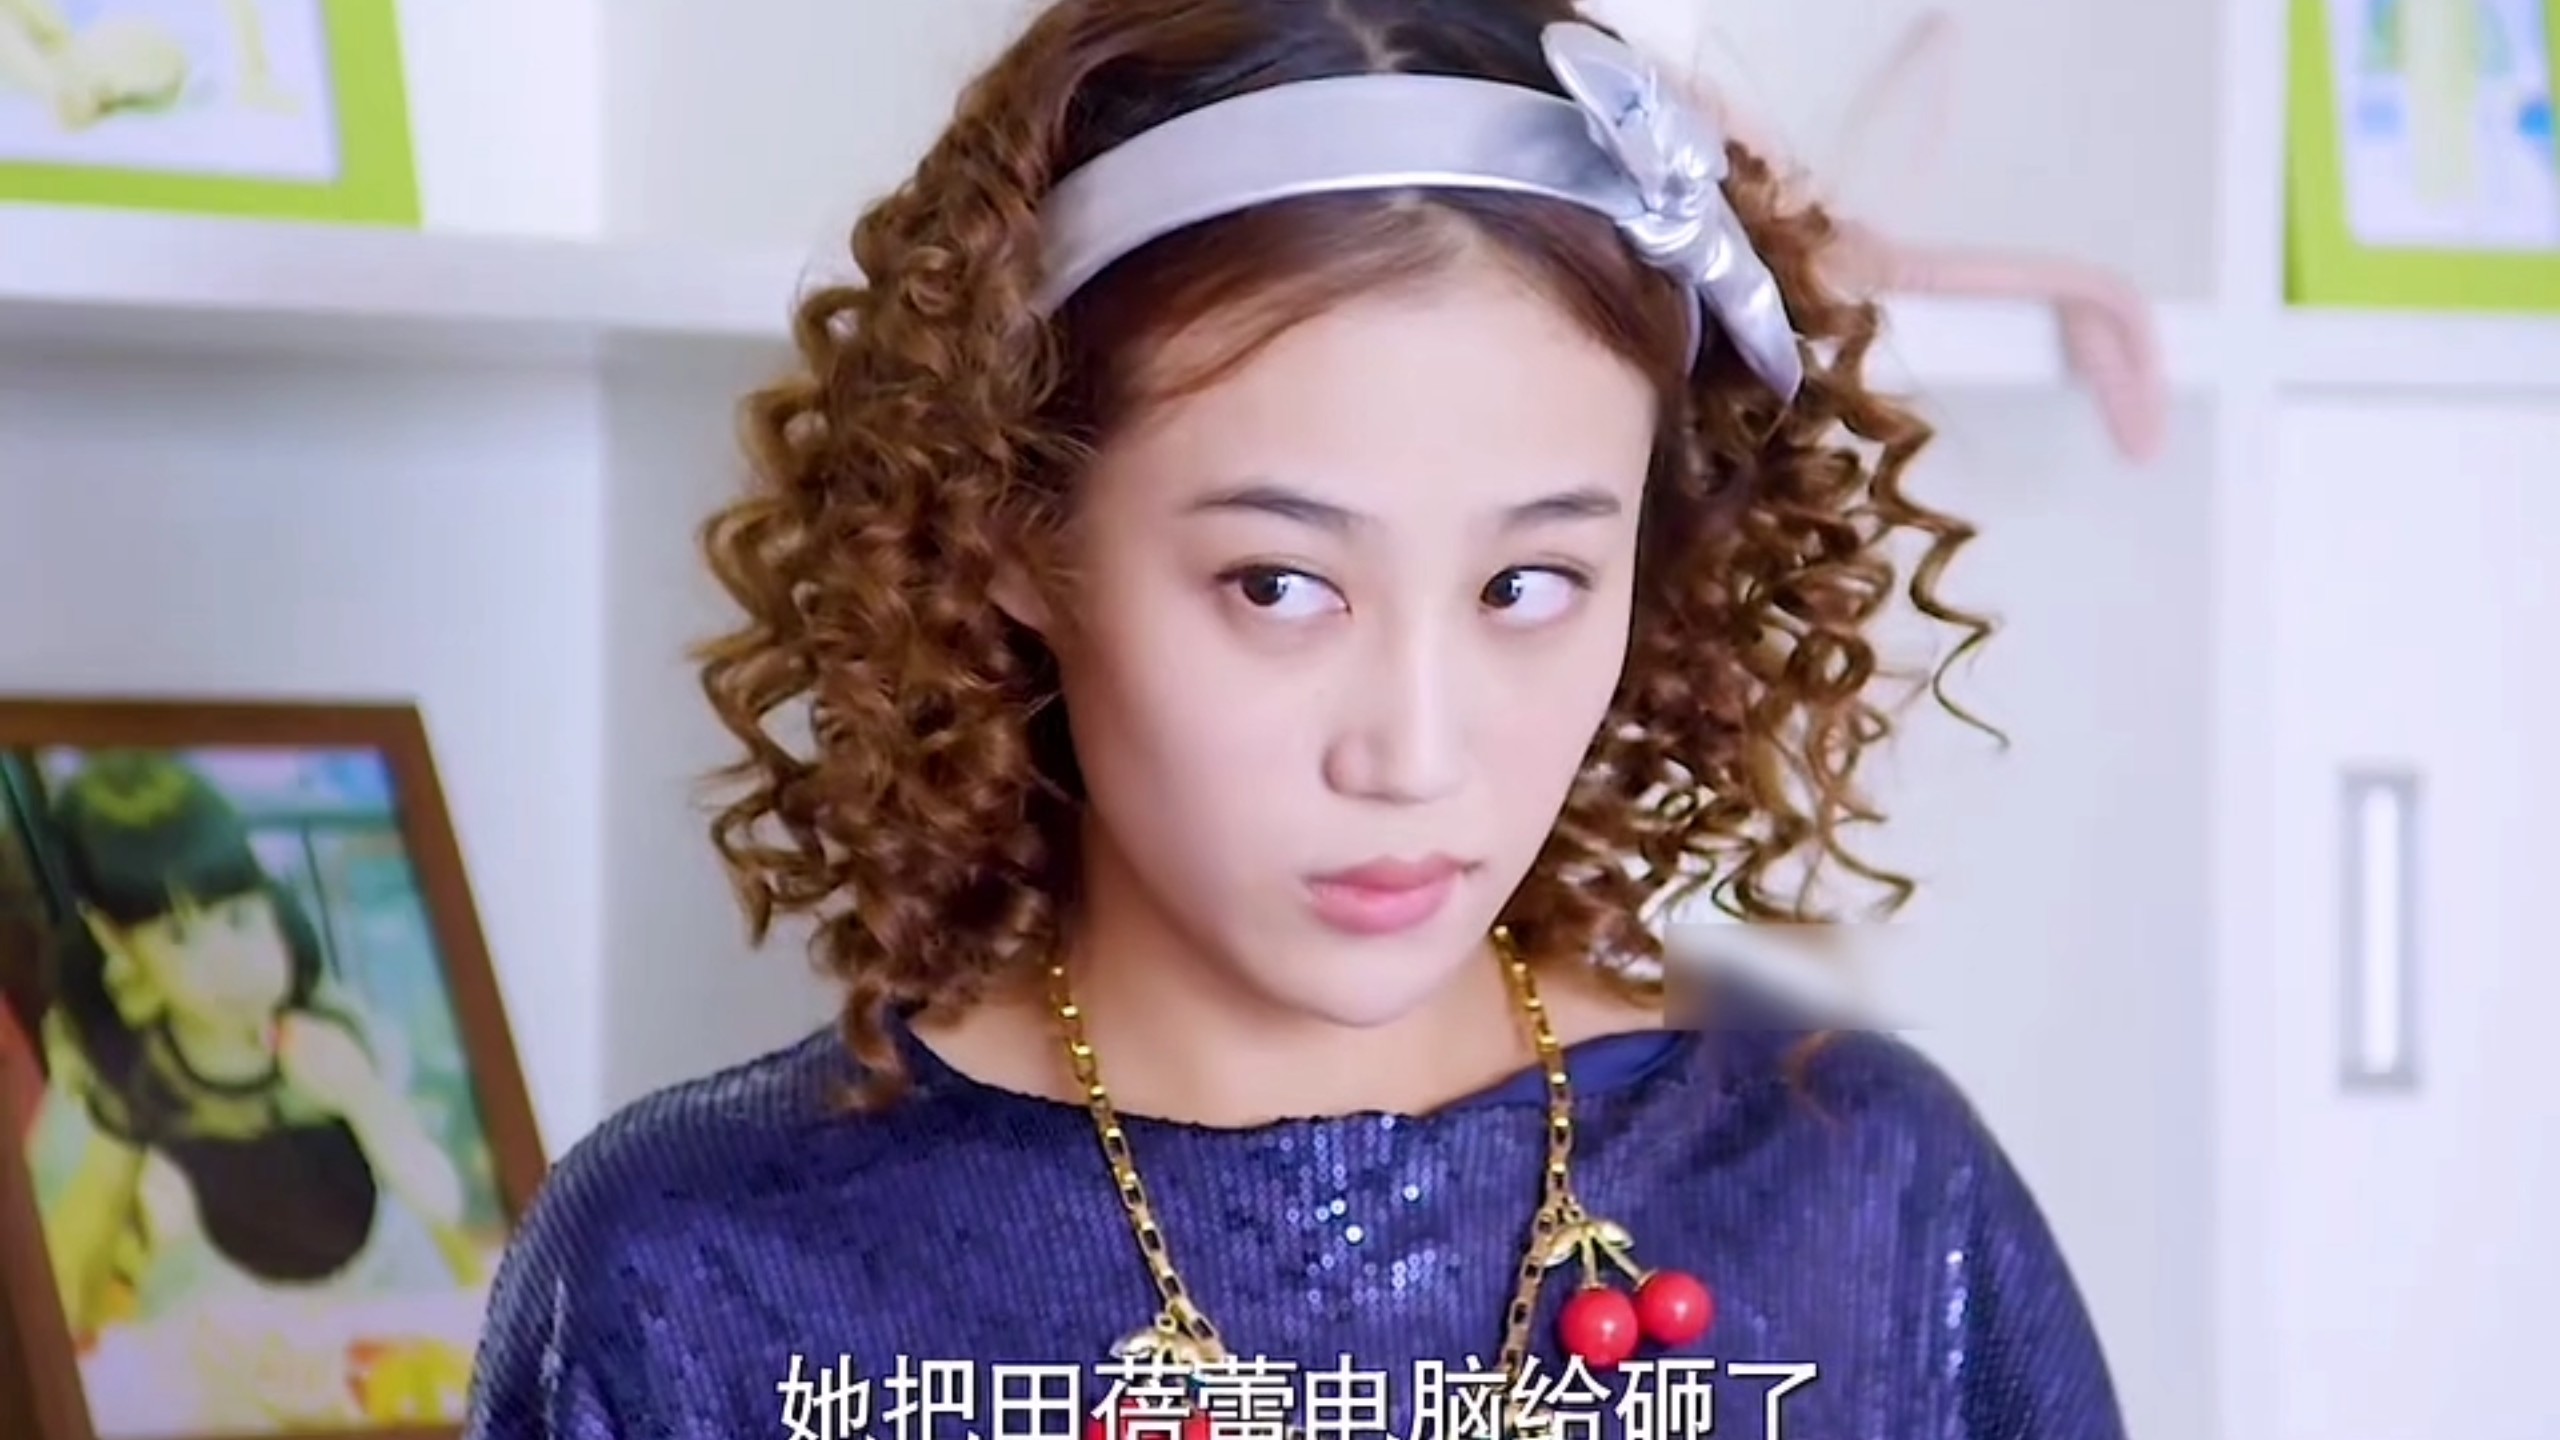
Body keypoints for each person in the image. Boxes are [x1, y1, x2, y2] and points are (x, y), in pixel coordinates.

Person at [466, 2, 2127, 1437]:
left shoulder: (1865, 1197)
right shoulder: (697, 1274)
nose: (1414, 753)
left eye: (1528, 584)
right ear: (1017, 533)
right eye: (1279, 585)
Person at [27, 751, 485, 1346]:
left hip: (391, 1345)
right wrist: (123, 1132)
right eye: (180, 937)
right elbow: (64, 1303)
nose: (230, 967)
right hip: (223, 1363)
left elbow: (443, 1210)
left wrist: (365, 1099)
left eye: (240, 919)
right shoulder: (109, 1079)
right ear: (114, 939)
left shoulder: (340, 1027)